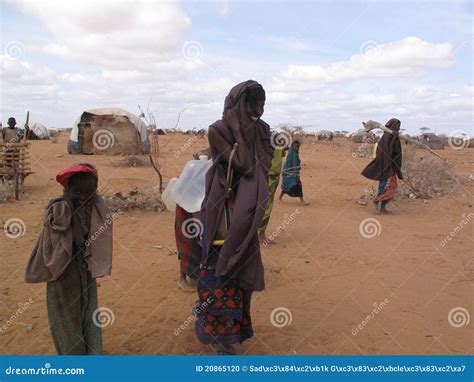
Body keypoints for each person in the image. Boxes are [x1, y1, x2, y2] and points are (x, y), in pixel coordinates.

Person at [194, 80, 273, 355]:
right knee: (219, 269)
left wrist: (246, 133)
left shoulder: (262, 131)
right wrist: (239, 131)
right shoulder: (218, 130)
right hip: (223, 211)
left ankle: (233, 332)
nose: (259, 111)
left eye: (263, 105)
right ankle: (221, 341)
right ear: (240, 103)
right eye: (253, 104)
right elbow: (244, 165)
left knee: (243, 271)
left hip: (248, 211)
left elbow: (262, 166)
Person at [25, 163, 113, 354]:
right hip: (62, 273)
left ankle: (91, 352)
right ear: (66, 190)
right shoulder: (59, 209)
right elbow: (74, 235)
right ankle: (72, 358)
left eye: (89, 192)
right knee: (66, 316)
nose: (83, 197)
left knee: (88, 312)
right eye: (77, 192)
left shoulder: (96, 208)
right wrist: (68, 205)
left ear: (96, 190)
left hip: (84, 271)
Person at [361, 118, 403, 214]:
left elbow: (395, 152)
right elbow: (387, 151)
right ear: (392, 126)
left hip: (390, 166)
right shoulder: (387, 136)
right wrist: (394, 137)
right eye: (397, 126)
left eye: (399, 126)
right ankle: (377, 201)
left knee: (385, 186)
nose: (398, 128)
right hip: (387, 166)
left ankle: (382, 207)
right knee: (390, 186)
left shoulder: (392, 135)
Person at [258, 140, 287, 244]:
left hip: (265, 174)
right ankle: (261, 234)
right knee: (268, 204)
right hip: (272, 175)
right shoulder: (279, 147)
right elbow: (285, 150)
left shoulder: (266, 146)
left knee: (263, 202)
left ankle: (259, 233)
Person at [279, 140, 309, 205]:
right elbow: (295, 166)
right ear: (293, 146)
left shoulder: (291, 152)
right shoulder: (294, 154)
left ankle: (280, 197)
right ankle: (302, 201)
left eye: (298, 146)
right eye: (295, 146)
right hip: (290, 173)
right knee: (298, 185)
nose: (297, 148)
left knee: (286, 185)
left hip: (287, 172)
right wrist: (297, 175)